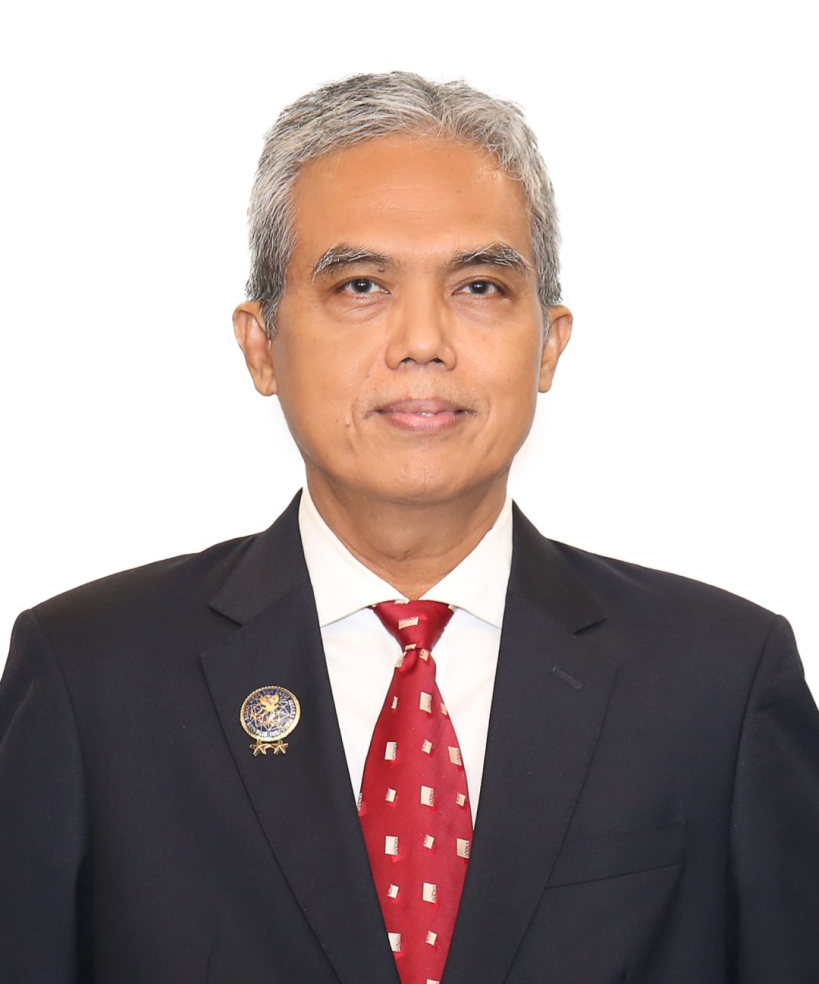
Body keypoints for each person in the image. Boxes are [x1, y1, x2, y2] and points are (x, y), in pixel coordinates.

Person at [1, 71, 817, 984]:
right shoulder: (90, 676)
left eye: (479, 286)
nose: (422, 340)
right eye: (360, 285)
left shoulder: (719, 680)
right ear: (262, 345)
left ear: (548, 343)